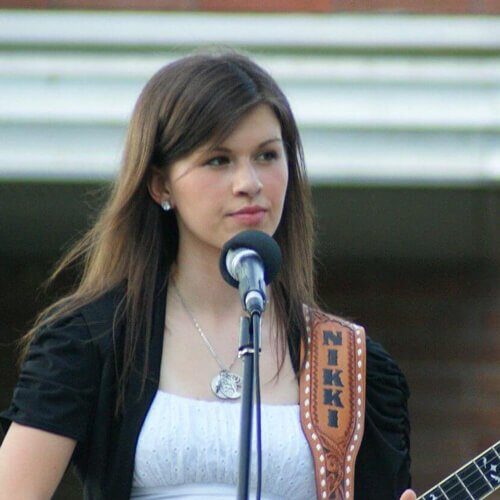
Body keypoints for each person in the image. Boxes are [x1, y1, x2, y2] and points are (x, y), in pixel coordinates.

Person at [0, 50, 416, 499]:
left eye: (267, 156)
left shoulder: (347, 362)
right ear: (160, 184)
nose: (249, 182)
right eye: (218, 160)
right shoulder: (92, 340)